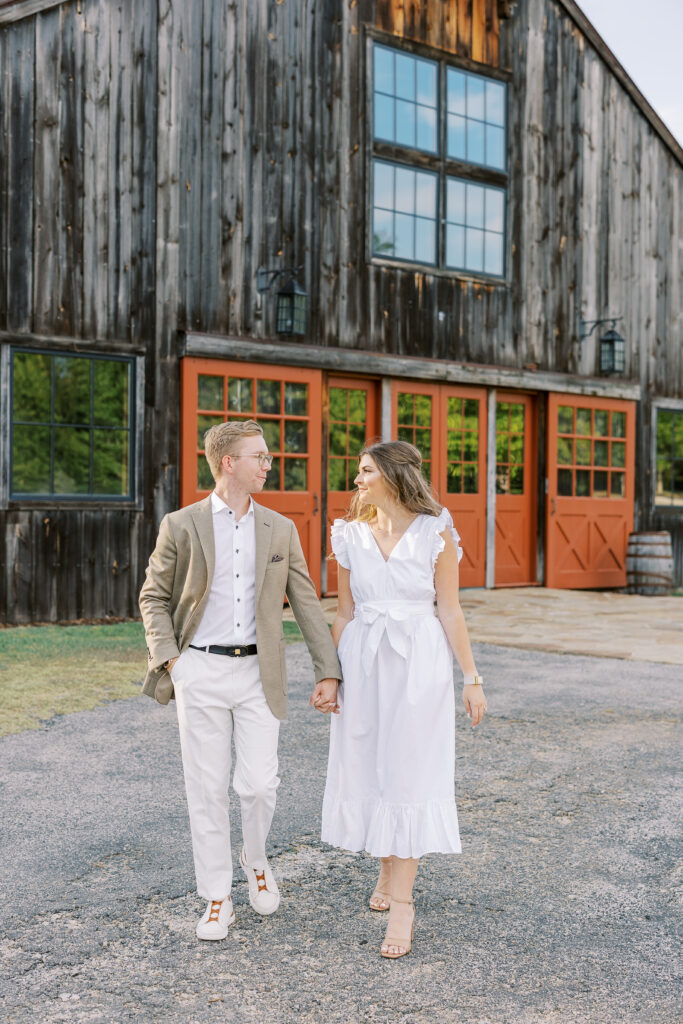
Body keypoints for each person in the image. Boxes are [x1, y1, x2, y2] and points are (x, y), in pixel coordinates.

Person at [139, 419, 340, 941]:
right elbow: (153, 597)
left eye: (267, 456)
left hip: (259, 672)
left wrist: (329, 670)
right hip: (199, 670)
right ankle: (217, 896)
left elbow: (306, 602)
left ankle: (256, 859)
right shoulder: (181, 524)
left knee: (257, 784)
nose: (268, 464)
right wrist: (173, 663)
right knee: (205, 788)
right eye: (260, 456)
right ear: (229, 462)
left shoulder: (281, 528)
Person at [317, 440, 487, 959]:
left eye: (365, 470)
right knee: (369, 765)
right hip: (364, 661)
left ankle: (404, 904)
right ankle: (386, 867)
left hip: (420, 664)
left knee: (410, 771)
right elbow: (343, 612)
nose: (357, 479)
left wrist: (471, 677)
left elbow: (450, 610)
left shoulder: (436, 529)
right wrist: (331, 675)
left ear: (391, 476)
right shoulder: (347, 534)